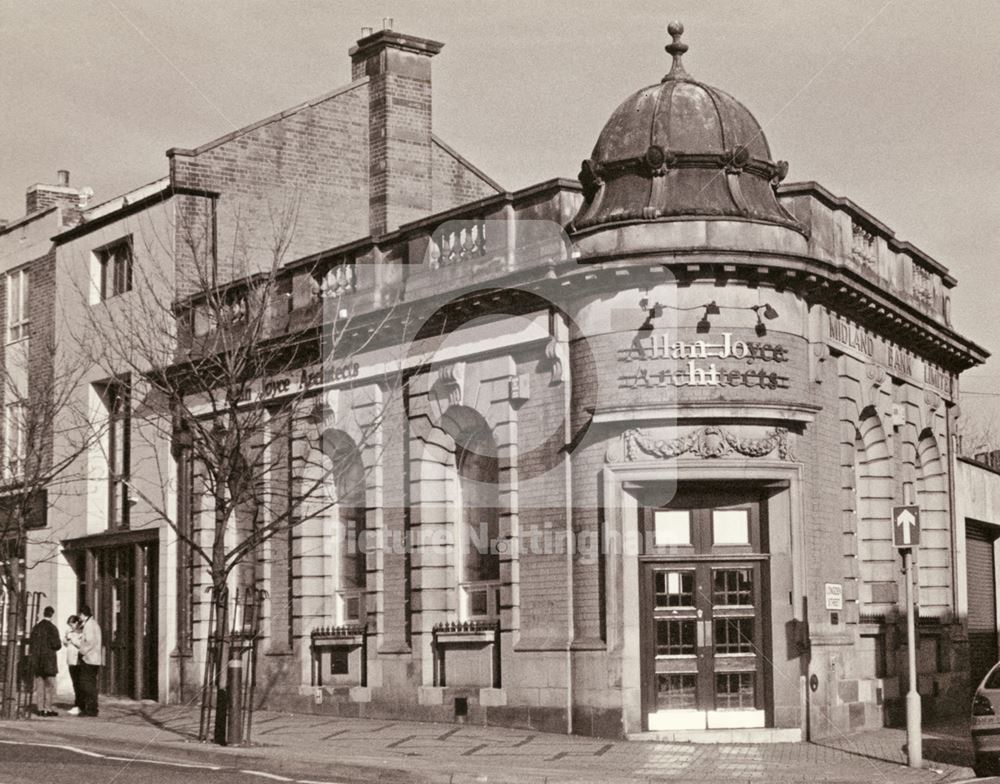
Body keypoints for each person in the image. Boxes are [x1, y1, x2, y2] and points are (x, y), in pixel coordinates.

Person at [29, 605, 61, 717]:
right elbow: (57, 645)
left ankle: (40, 708)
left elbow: (31, 643)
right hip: (49, 661)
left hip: (37, 660)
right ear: (52, 615)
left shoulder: (36, 627)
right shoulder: (53, 628)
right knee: (49, 685)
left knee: (39, 685)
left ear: (44, 613)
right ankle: (48, 708)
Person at [77, 605, 102, 717]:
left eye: (80, 614)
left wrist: (81, 651)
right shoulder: (94, 624)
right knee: (91, 683)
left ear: (83, 614)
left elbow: (90, 642)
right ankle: (92, 708)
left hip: (89, 659)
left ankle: (91, 709)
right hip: (94, 658)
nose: (79, 617)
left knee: (86, 684)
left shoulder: (89, 625)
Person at [63, 615, 83, 715]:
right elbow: (65, 644)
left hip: (77, 661)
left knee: (79, 683)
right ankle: (77, 704)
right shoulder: (70, 632)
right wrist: (66, 638)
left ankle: (79, 705)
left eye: (72, 624)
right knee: (75, 683)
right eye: (69, 625)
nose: (71, 627)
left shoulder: (81, 633)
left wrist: (73, 639)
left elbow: (81, 645)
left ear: (76, 623)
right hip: (71, 660)